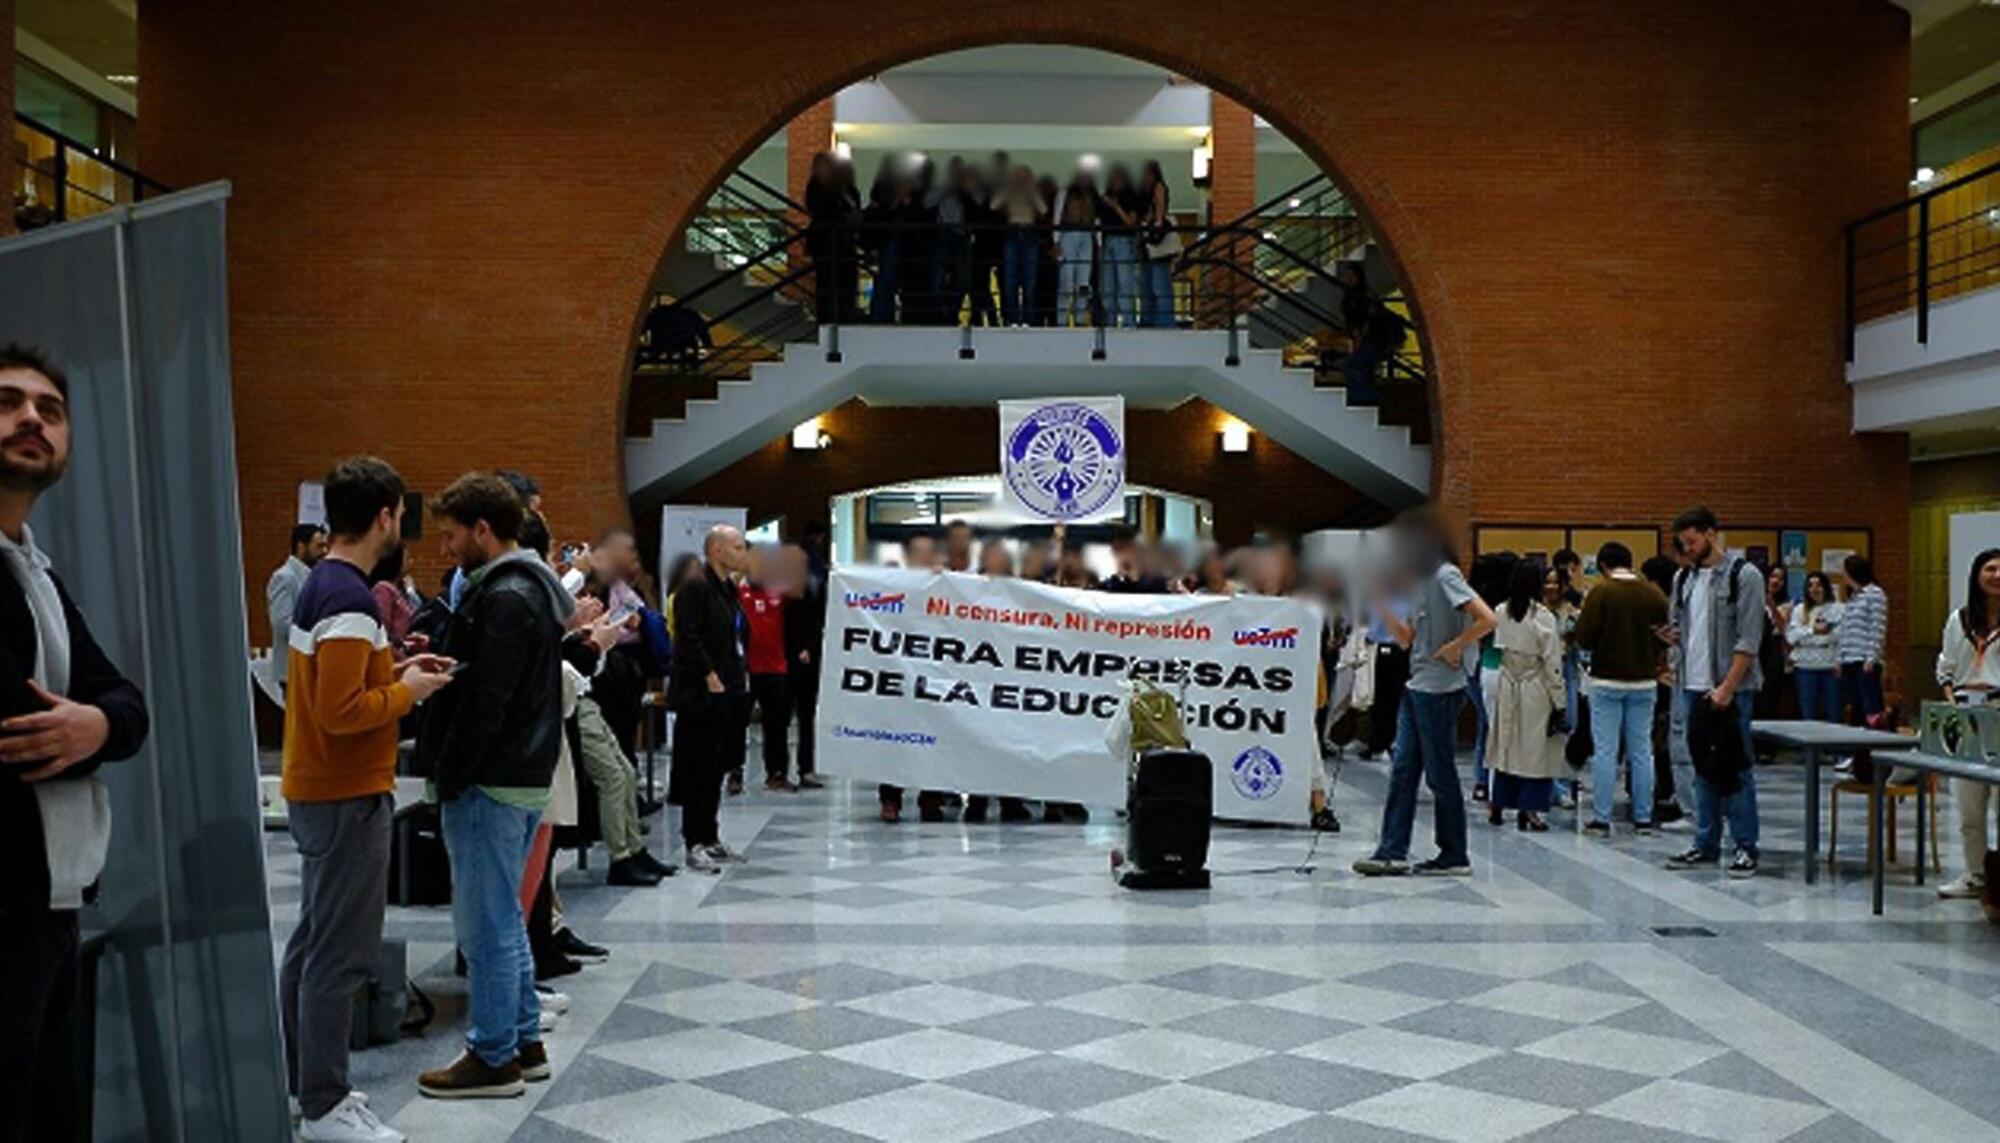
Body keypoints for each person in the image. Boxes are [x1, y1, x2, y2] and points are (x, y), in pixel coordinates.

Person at [0, 344, 150, 1140]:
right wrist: (99, 723)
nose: (32, 418)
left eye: (50, 410)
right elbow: (14, 726)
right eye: (10, 402)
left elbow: (124, 702)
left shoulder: (37, 573)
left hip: (49, 900)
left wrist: (96, 723)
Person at [279, 458, 452, 1140]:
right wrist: (408, 693)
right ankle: (324, 1102)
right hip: (346, 791)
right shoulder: (350, 597)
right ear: (387, 515)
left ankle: (300, 1084)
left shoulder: (323, 582)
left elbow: (334, 683)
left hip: (319, 788)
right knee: (339, 955)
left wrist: (399, 667)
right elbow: (343, 709)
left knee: (311, 943)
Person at [415, 473, 571, 1099]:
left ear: (483, 529)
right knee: (504, 912)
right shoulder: (525, 587)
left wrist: (448, 775)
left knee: (485, 924)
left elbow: (488, 702)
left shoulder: (505, 595)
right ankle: (525, 1039)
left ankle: (493, 1055)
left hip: (493, 777)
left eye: (452, 535)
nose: (446, 547)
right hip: (519, 772)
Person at [1354, 509, 1496, 877]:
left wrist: (1456, 646)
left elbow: (1487, 619)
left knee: (1439, 773)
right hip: (1417, 683)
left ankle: (1454, 853)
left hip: (1439, 688)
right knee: (1404, 770)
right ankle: (1392, 850)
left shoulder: (1445, 575)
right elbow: (1408, 641)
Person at [1662, 506, 1766, 879]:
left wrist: (1727, 687)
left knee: (1735, 767)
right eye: (1682, 543)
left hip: (1730, 688)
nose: (1687, 548)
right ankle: (1705, 842)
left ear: (1711, 534)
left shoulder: (1744, 576)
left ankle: (1745, 845)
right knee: (1701, 766)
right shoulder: (1682, 579)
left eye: (1691, 541)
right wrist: (1672, 641)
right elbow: (1681, 626)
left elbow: (1749, 638)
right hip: (1691, 685)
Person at [669, 525, 750, 870]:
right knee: (699, 768)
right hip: (702, 693)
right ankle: (694, 840)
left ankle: (711, 835)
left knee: (718, 765)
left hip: (729, 689)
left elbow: (732, 636)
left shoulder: (727, 590)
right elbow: (687, 638)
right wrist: (709, 674)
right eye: (737, 546)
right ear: (716, 550)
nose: (742, 552)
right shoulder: (695, 587)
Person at [1574, 542, 1669, 837]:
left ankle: (1601, 818)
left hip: (1606, 681)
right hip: (1644, 681)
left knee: (1605, 751)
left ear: (1603, 565)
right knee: (1642, 751)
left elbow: (1585, 638)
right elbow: (1665, 635)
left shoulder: (1601, 593)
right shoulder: (1654, 594)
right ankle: (1643, 817)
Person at [1936, 548, 2000, 899]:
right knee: (1967, 804)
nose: (1997, 575)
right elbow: (1945, 667)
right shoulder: (1959, 620)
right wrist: (1951, 701)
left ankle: (1999, 883)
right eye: (1990, 568)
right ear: (1977, 575)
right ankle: (1975, 876)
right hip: (1964, 718)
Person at [1484, 559, 1565, 832]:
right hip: (1535, 686)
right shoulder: (1543, 616)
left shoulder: (1500, 610)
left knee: (1504, 747)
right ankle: (1529, 810)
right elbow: (1552, 663)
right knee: (1534, 753)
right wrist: (1560, 701)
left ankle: (1498, 803)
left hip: (1507, 682)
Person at [742, 549, 796, 792]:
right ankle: (734, 771)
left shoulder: (779, 592)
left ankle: (777, 772)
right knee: (737, 723)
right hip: (746, 668)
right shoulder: (738, 593)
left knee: (776, 725)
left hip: (776, 667)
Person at [781, 541, 827, 790]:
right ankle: (778, 770)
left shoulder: (812, 587)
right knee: (780, 719)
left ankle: (806, 768)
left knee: (807, 717)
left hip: (806, 662)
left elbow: (816, 621)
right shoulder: (775, 590)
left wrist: (808, 647)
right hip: (780, 661)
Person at [269, 522, 329, 690]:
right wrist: (319, 633)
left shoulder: (314, 575)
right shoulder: (284, 577)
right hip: (294, 670)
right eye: (319, 546)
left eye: (325, 546)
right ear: (301, 547)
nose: (324, 552)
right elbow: (282, 624)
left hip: (311, 666)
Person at [1837, 554, 1888, 729]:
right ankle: (1857, 749)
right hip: (1849, 657)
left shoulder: (1874, 594)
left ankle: (1875, 744)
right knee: (1854, 705)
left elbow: (1877, 627)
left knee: (1870, 705)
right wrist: (1840, 657)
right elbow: (1846, 630)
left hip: (1864, 659)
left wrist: (1871, 657)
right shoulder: (1853, 597)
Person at [1787, 571, 1843, 723]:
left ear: (1826, 587)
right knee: (1808, 715)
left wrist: (1808, 638)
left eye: (1818, 585)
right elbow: (1791, 637)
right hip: (1805, 666)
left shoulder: (1839, 609)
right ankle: (1811, 748)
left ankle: (1833, 747)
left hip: (1829, 666)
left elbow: (1839, 637)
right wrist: (1813, 631)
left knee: (1833, 713)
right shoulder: (1800, 610)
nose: (1814, 589)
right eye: (1810, 585)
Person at [994, 165, 1045, 326]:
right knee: (1010, 279)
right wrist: (1010, 190)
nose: (1021, 179)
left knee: (1030, 280)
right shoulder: (1009, 191)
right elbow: (994, 204)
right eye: (1018, 176)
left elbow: (1043, 209)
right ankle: (1012, 318)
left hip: (1029, 232)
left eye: (1024, 176)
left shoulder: (1032, 191)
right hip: (1012, 231)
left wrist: (1030, 190)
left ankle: (1029, 318)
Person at [1099, 163, 1143, 327]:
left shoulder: (1131, 197)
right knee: (1108, 286)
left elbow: (1131, 223)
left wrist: (1116, 207)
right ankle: (1109, 324)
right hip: (1108, 240)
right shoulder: (1105, 198)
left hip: (1124, 240)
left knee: (1125, 284)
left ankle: (1129, 323)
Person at [1057, 171, 1099, 326]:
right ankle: (1061, 319)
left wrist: (1098, 243)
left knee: (1083, 281)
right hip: (1068, 234)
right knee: (1066, 279)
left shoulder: (1093, 195)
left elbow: (1096, 219)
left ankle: (1080, 319)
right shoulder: (1065, 192)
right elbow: (1057, 215)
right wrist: (1056, 241)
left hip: (1087, 235)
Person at [1138, 160, 1175, 328]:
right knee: (1147, 284)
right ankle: (1149, 319)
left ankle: (1164, 321)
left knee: (1159, 284)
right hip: (1147, 243)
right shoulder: (1145, 191)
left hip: (1156, 242)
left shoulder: (1158, 187)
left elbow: (1159, 215)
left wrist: (1156, 223)